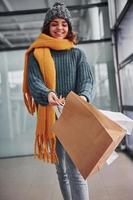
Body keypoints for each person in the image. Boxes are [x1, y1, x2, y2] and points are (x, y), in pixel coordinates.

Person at [23, 2, 94, 200]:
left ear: (69, 27)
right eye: (54, 23)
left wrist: (81, 97)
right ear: (48, 27)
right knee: (61, 171)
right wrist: (47, 94)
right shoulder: (37, 54)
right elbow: (34, 81)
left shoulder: (77, 53)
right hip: (52, 118)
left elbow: (87, 80)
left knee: (76, 171)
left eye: (64, 23)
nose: (59, 28)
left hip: (74, 117)